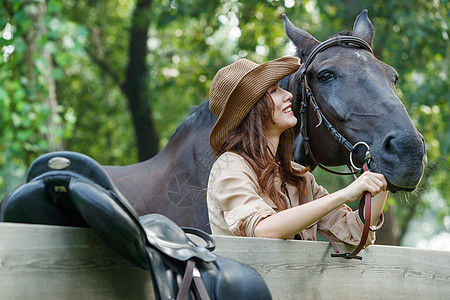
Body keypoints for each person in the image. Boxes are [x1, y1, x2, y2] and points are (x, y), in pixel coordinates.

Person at [206, 56, 388, 246]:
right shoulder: (230, 166)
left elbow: (357, 233)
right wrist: (345, 193)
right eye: (273, 90)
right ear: (253, 109)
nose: (288, 95)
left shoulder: (299, 177)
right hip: (247, 276)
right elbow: (264, 229)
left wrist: (385, 170)